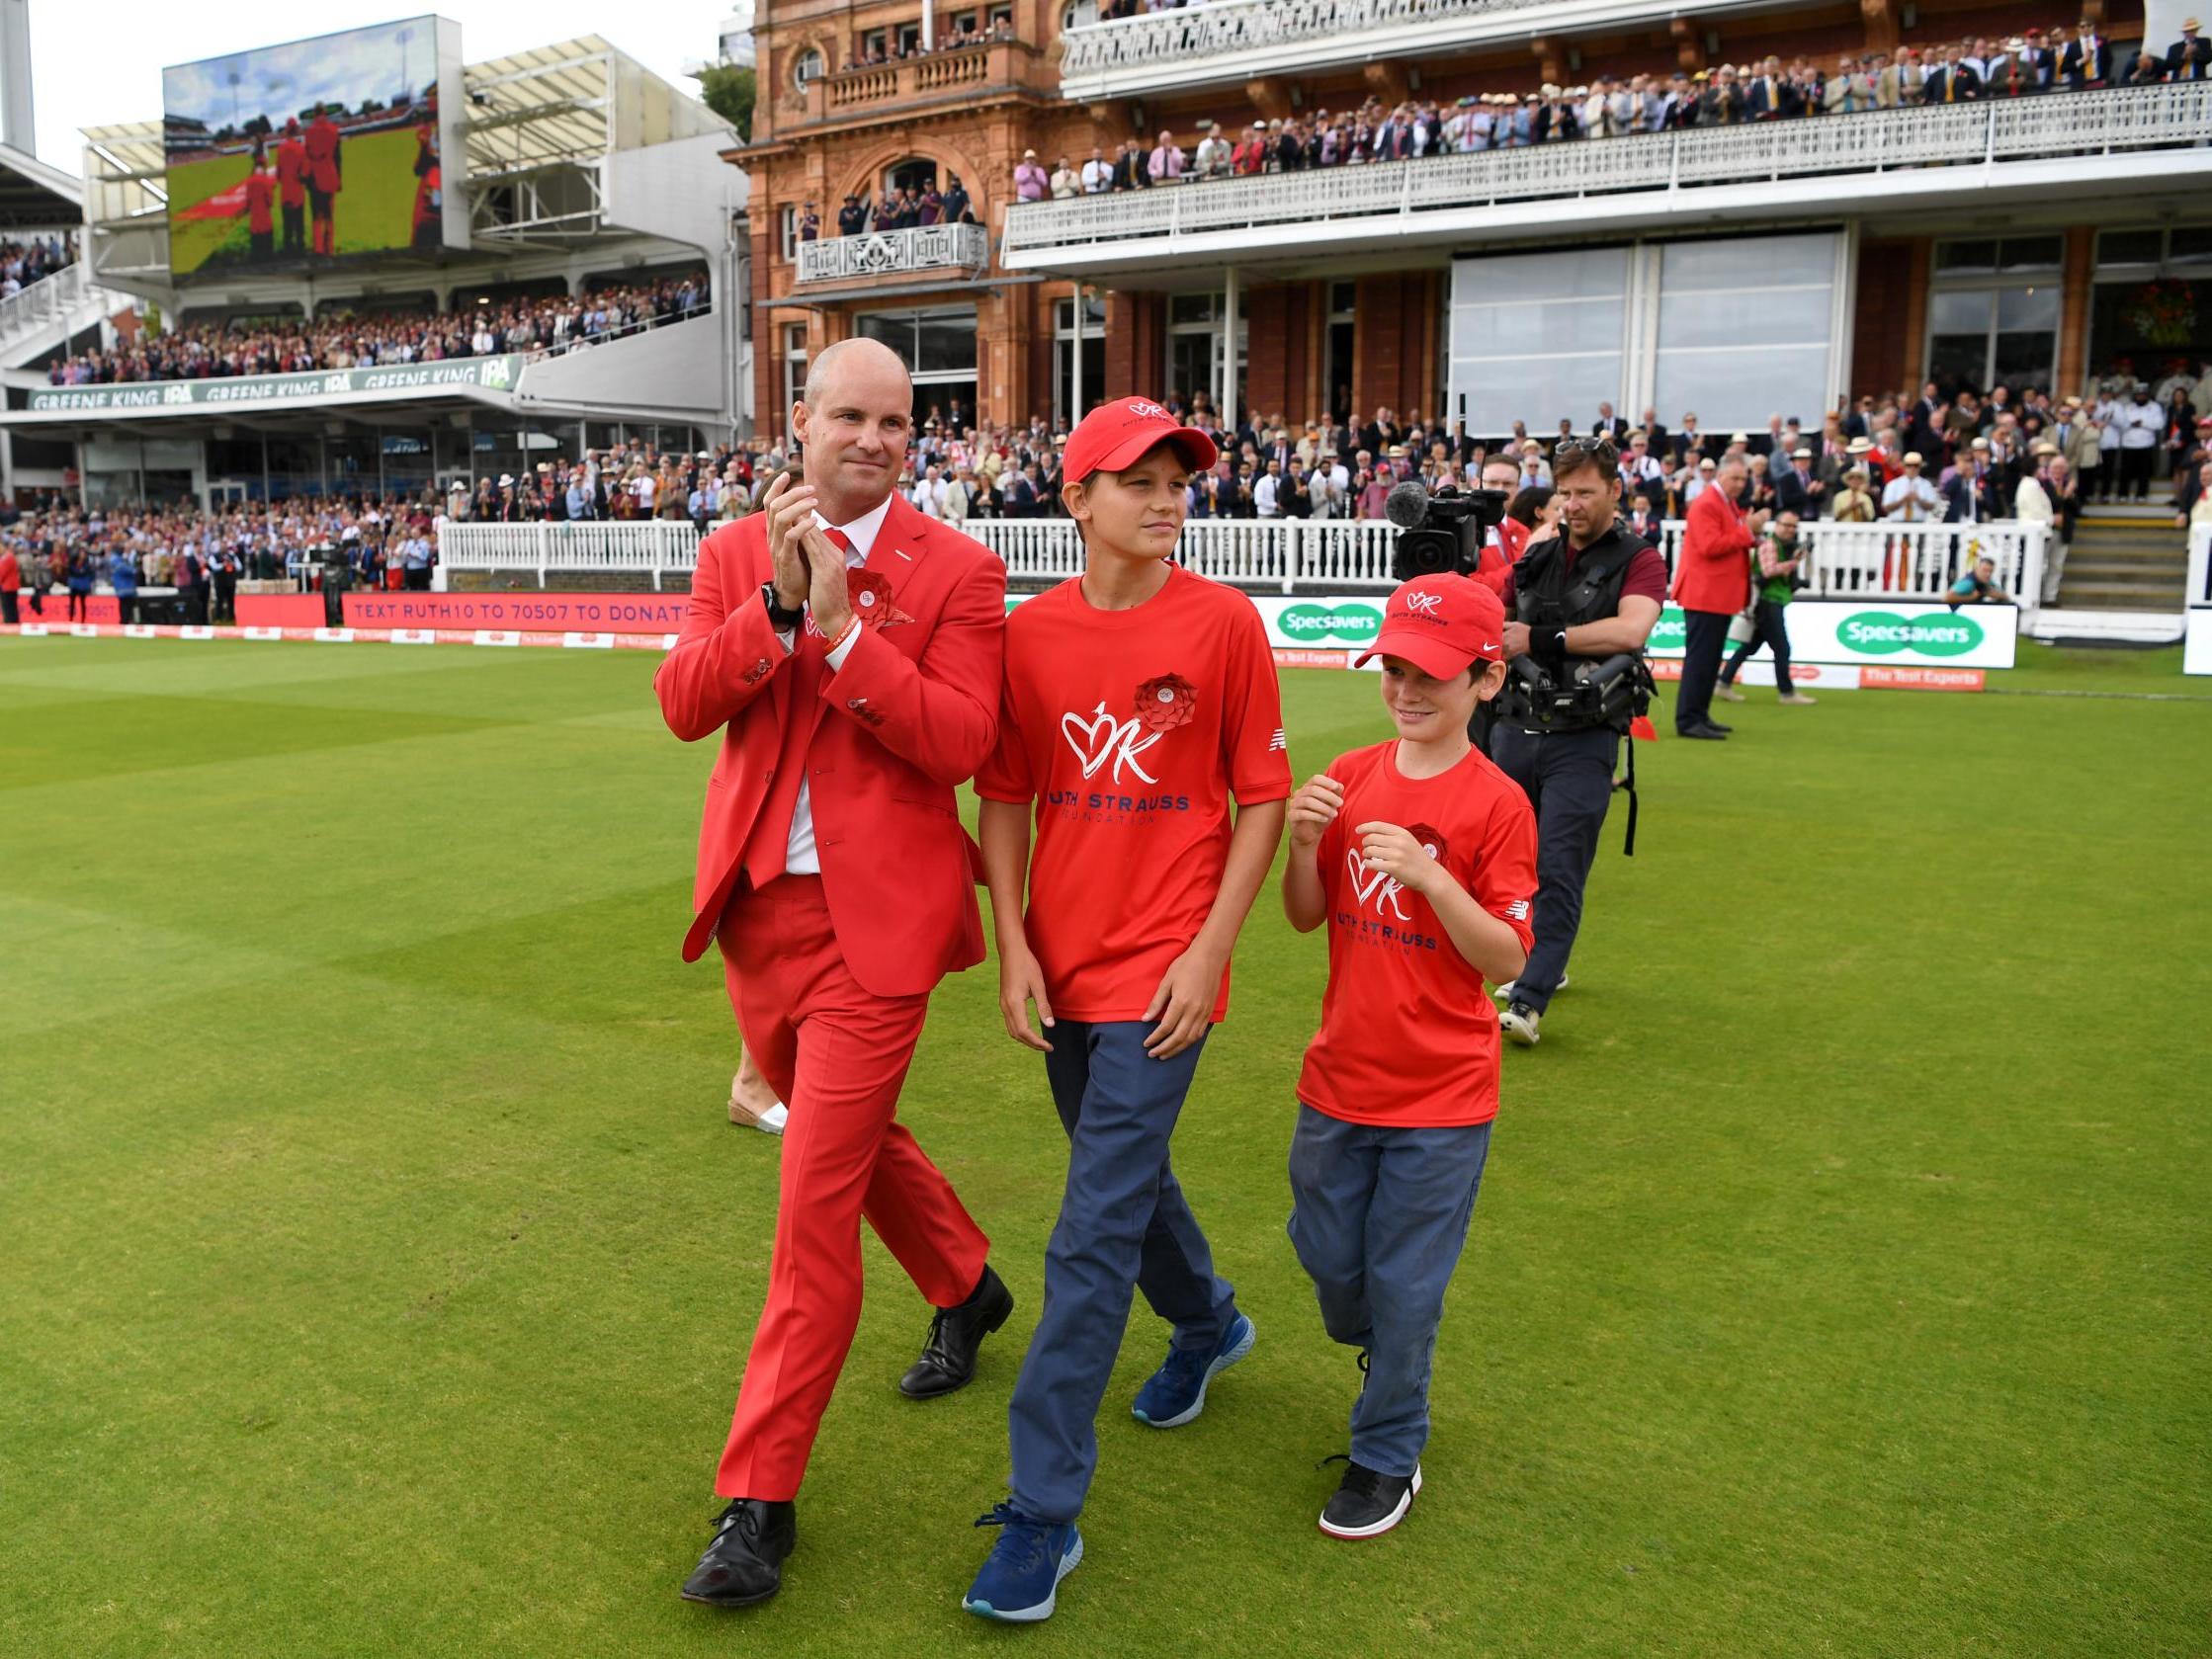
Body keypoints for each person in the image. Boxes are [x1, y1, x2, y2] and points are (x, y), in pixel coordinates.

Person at [657, 337, 1016, 1611]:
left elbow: (967, 739)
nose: (876, 439)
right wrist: (772, 608)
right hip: (762, 918)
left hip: (883, 931)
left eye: (898, 423)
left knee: (811, 1205)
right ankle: (969, 1282)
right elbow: (684, 703)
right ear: (799, 422)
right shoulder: (729, 555)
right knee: (843, 1140)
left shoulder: (963, 570)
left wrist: (848, 630)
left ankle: (758, 1501)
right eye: (852, 416)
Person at [963, 398, 1289, 1623]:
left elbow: (1259, 799)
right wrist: (1012, 948)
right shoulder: (1028, 636)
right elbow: (1004, 797)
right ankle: (1208, 1320)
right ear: (1076, 498)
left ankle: (1042, 1513)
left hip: (1165, 974)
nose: (1165, 496)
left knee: (1088, 1232)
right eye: (1136, 478)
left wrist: (1210, 952)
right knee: (1129, 1180)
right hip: (1064, 967)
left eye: (1177, 478)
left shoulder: (1223, 624)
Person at [1278, 572, 1535, 1540]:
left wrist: (1431, 875)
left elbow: (1506, 959)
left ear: (1486, 678)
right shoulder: (1352, 771)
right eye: (1393, 667)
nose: (1406, 689)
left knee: (1405, 1288)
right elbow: (1307, 916)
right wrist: (1305, 846)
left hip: (1443, 1096)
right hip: (1338, 1078)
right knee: (1335, 1266)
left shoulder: (1498, 803)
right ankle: (1381, 1350)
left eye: (1430, 672)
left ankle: (1388, 1449)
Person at [1489, 438, 1665, 1047]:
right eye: (1564, 493)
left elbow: (1633, 628)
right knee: (1502, 863)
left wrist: (1540, 639)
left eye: (1586, 492)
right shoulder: (1540, 553)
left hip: (1585, 738)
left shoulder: (1640, 558)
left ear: (1616, 491)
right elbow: (1497, 614)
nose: (1573, 504)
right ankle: (1540, 965)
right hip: (1515, 727)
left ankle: (1531, 1000)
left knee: (1559, 867)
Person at [1672, 455, 1764, 741]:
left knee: (1709, 661)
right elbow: (1711, 545)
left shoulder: (1723, 503)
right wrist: (1748, 531)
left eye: (1743, 478)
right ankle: (1688, 719)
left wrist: (1747, 534)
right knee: (1701, 660)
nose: (1740, 484)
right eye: (1735, 478)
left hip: (1715, 595)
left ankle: (1699, 715)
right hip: (1704, 595)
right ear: (1720, 476)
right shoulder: (1707, 504)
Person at [1718, 511, 1816, 705]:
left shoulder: (1781, 546)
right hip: (1767, 602)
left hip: (1772, 600)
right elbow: (1768, 570)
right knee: (1782, 648)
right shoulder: (1770, 545)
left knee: (1749, 647)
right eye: (1787, 525)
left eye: (1793, 526)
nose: (1790, 530)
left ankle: (1723, 683)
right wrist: (1794, 562)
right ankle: (1786, 693)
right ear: (1777, 525)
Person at [303, 104, 344, 259]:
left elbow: (307, 156)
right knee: (329, 216)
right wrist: (339, 180)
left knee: (316, 217)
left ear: (315, 114)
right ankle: (329, 248)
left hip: (314, 178)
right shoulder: (333, 131)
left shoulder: (309, 133)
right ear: (325, 113)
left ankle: (318, 249)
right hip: (330, 176)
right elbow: (338, 158)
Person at [1947, 555, 2011, 608]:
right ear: (1977, 569)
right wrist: (1971, 597)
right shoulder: (1968, 583)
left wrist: (1996, 595)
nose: (1988, 574)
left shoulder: (1989, 582)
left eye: (1990, 571)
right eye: (1985, 570)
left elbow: (2005, 597)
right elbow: (1947, 597)